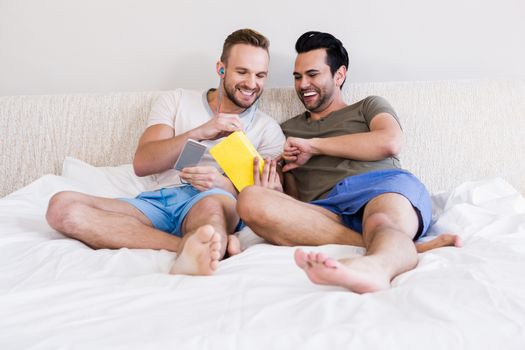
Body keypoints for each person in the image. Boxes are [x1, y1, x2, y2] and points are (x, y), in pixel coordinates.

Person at [46, 29, 285, 276]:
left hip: (212, 201)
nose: (252, 83)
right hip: (159, 201)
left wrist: (223, 185)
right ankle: (187, 246)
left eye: (260, 75)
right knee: (61, 208)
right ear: (221, 68)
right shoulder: (177, 100)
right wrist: (201, 131)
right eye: (242, 72)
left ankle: (206, 242)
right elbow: (143, 163)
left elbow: (266, 198)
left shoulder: (268, 130)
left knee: (211, 216)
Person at [237, 31, 460, 293]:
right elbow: (296, 200)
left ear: (339, 75)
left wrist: (314, 146)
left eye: (313, 74)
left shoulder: (368, 106)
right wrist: (278, 193)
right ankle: (402, 247)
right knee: (251, 199)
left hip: (382, 187)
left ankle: (375, 268)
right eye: (298, 77)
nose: (303, 84)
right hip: (326, 210)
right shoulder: (284, 130)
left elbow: (390, 141)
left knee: (380, 222)